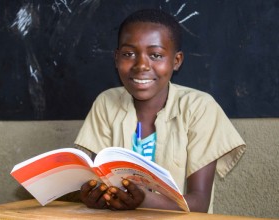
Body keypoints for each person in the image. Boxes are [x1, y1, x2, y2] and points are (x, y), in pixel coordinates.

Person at [74, 8, 246, 213]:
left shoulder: (199, 108)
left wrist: (144, 200)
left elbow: (199, 203)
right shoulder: (106, 103)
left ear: (176, 61)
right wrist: (92, 196)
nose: (141, 65)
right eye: (129, 54)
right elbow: (95, 182)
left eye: (155, 55)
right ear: (116, 58)